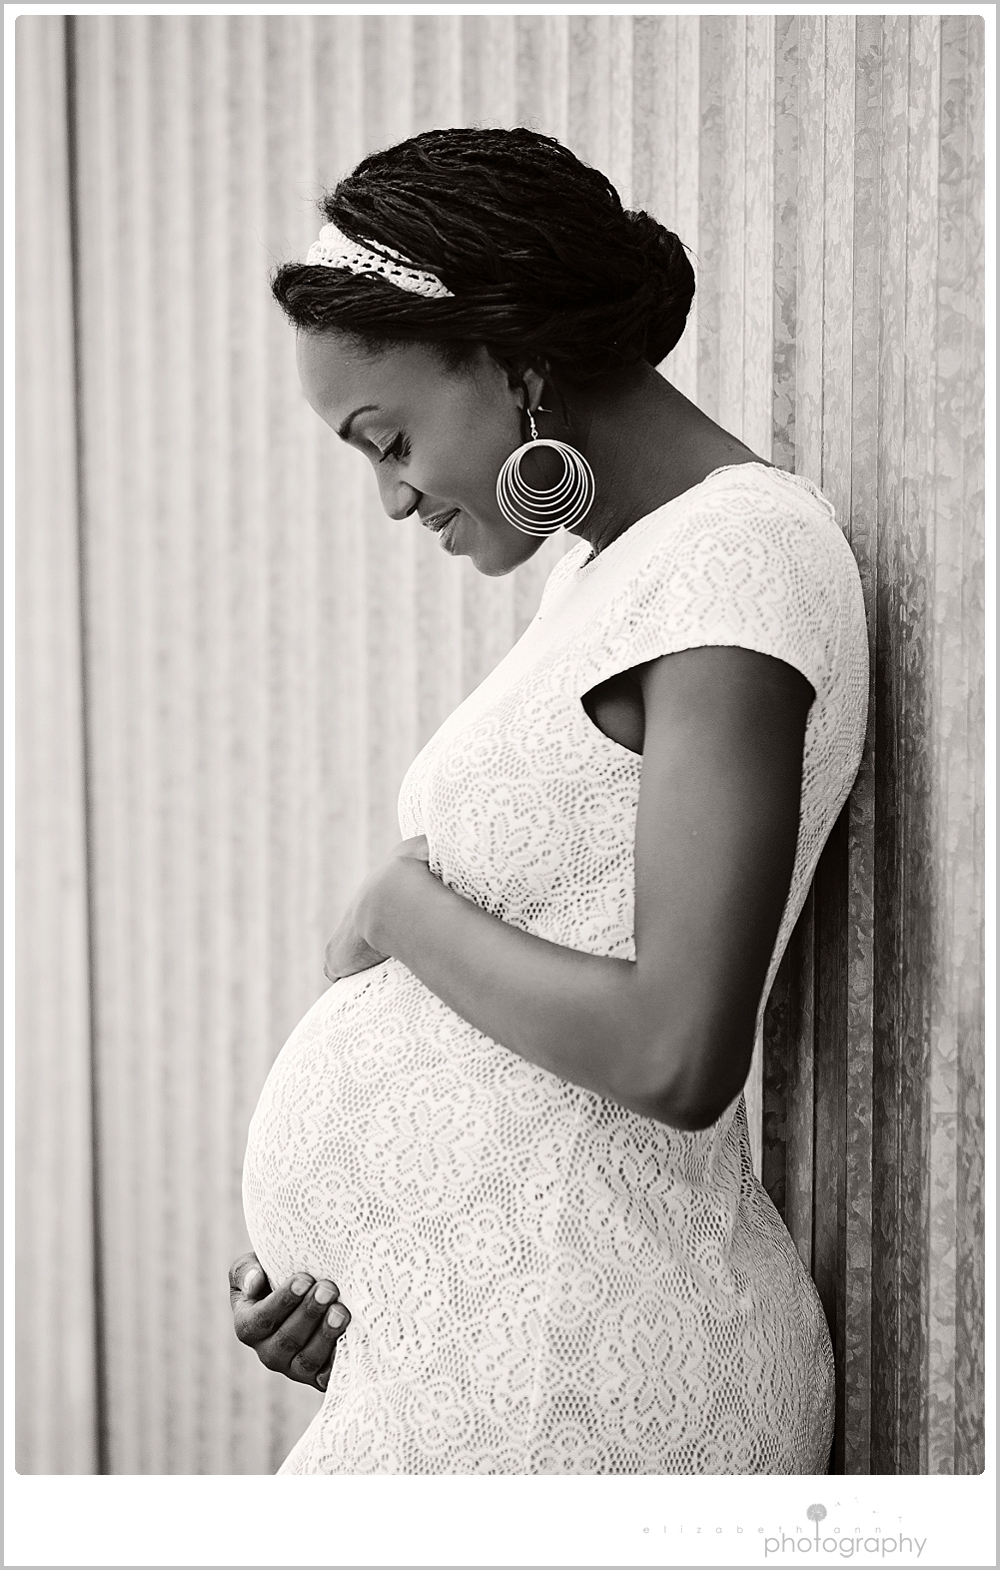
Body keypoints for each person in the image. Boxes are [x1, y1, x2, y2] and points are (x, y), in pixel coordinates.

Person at [230, 127, 868, 1474]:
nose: (391, 497)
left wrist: (399, 909)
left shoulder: (737, 561)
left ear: (513, 356)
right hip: (502, 1348)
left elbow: (675, 1051)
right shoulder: (609, 567)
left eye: (388, 439)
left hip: (595, 1351)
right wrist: (367, 1270)